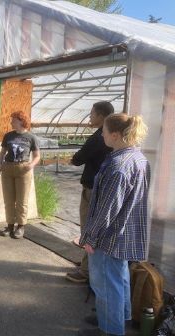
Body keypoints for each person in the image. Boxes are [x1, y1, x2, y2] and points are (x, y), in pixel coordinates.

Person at [78, 113, 150, 336]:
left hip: (110, 236)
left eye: (104, 131)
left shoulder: (119, 166)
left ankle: (110, 329)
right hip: (126, 232)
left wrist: (90, 238)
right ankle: (117, 317)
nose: (101, 135)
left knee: (107, 283)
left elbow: (107, 210)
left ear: (116, 135)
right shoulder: (138, 158)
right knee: (119, 278)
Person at [66, 101, 114, 283]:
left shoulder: (99, 137)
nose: (90, 116)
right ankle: (89, 264)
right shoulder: (109, 138)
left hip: (93, 190)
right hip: (101, 189)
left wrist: (74, 158)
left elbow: (78, 159)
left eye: (92, 113)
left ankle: (86, 272)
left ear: (101, 116)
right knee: (94, 230)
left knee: (88, 230)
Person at [0, 111, 40, 239]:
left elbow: (37, 156)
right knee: (8, 200)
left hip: (23, 170)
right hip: (8, 169)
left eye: (14, 120)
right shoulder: (8, 136)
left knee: (22, 201)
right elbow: (2, 152)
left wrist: (31, 165)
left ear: (21, 121)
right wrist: (0, 164)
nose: (11, 122)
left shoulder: (31, 138)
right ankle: (10, 225)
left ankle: (21, 226)